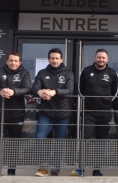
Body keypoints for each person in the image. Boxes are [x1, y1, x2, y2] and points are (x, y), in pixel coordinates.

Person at [71, 49, 118, 177]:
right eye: (99, 57)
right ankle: (80, 168)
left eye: (103, 58)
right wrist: (88, 101)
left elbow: (115, 92)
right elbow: (80, 90)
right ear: (95, 58)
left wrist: (106, 101)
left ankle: (96, 170)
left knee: (101, 140)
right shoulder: (86, 71)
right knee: (85, 138)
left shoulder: (112, 73)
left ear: (107, 59)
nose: (101, 60)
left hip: (105, 112)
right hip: (89, 112)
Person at [31, 48, 74, 177]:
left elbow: (69, 90)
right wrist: (40, 93)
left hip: (63, 114)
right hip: (46, 113)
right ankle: (43, 168)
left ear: (61, 60)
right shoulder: (42, 73)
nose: (55, 60)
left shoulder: (68, 73)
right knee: (39, 138)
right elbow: (34, 88)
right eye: (52, 58)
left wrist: (53, 92)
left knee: (59, 141)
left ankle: (55, 169)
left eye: (57, 58)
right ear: (48, 59)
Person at [0, 52, 32, 176]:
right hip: (0, 112)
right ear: (7, 61)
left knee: (14, 143)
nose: (13, 63)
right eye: (11, 61)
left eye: (16, 61)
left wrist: (13, 91)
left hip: (17, 113)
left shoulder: (25, 73)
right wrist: (1, 91)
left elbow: (27, 88)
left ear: (20, 62)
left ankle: (12, 170)